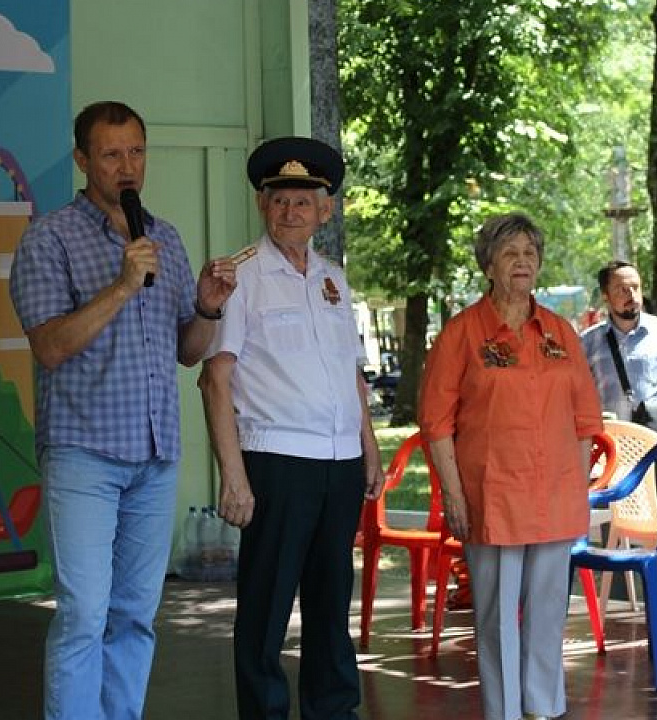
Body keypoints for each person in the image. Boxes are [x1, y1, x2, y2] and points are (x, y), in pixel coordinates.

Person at [9, 100, 236, 720]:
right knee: (84, 612)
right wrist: (120, 285)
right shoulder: (48, 238)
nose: (127, 166)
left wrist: (210, 309)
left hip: (156, 454)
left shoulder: (164, 237)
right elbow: (51, 347)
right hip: (84, 453)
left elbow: (188, 351)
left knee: (136, 613)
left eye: (136, 151)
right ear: (82, 160)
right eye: (111, 154)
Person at [198, 136, 383, 720]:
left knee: (331, 605)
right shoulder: (240, 276)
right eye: (279, 200)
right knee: (266, 609)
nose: (290, 212)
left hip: (338, 463)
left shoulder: (333, 279)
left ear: (324, 209)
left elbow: (350, 372)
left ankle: (334, 710)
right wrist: (234, 477)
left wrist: (369, 445)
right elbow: (215, 380)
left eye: (303, 201)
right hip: (277, 461)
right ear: (261, 204)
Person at [419, 212, 603, 720]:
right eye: (509, 253)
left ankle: (544, 707)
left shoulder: (561, 331)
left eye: (530, 253)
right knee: (498, 616)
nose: (522, 261)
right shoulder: (462, 332)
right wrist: (455, 495)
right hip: (492, 494)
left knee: (547, 612)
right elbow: (435, 422)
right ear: (488, 265)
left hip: (554, 495)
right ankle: (501, 711)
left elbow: (587, 419)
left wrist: (576, 485)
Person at [580, 260, 657, 436]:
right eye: (622, 290)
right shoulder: (587, 343)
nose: (632, 296)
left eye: (636, 287)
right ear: (605, 295)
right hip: (612, 445)